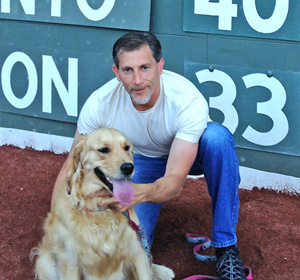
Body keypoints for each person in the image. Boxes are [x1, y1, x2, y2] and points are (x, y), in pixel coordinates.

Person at [52, 31, 247, 280]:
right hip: (140, 160)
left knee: (217, 138)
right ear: (116, 71)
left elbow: (174, 182)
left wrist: (138, 193)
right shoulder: (100, 102)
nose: (138, 80)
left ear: (160, 66)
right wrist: (57, 226)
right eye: (128, 70)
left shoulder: (187, 100)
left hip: (188, 153)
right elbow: (72, 163)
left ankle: (226, 246)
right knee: (131, 250)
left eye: (145, 67)